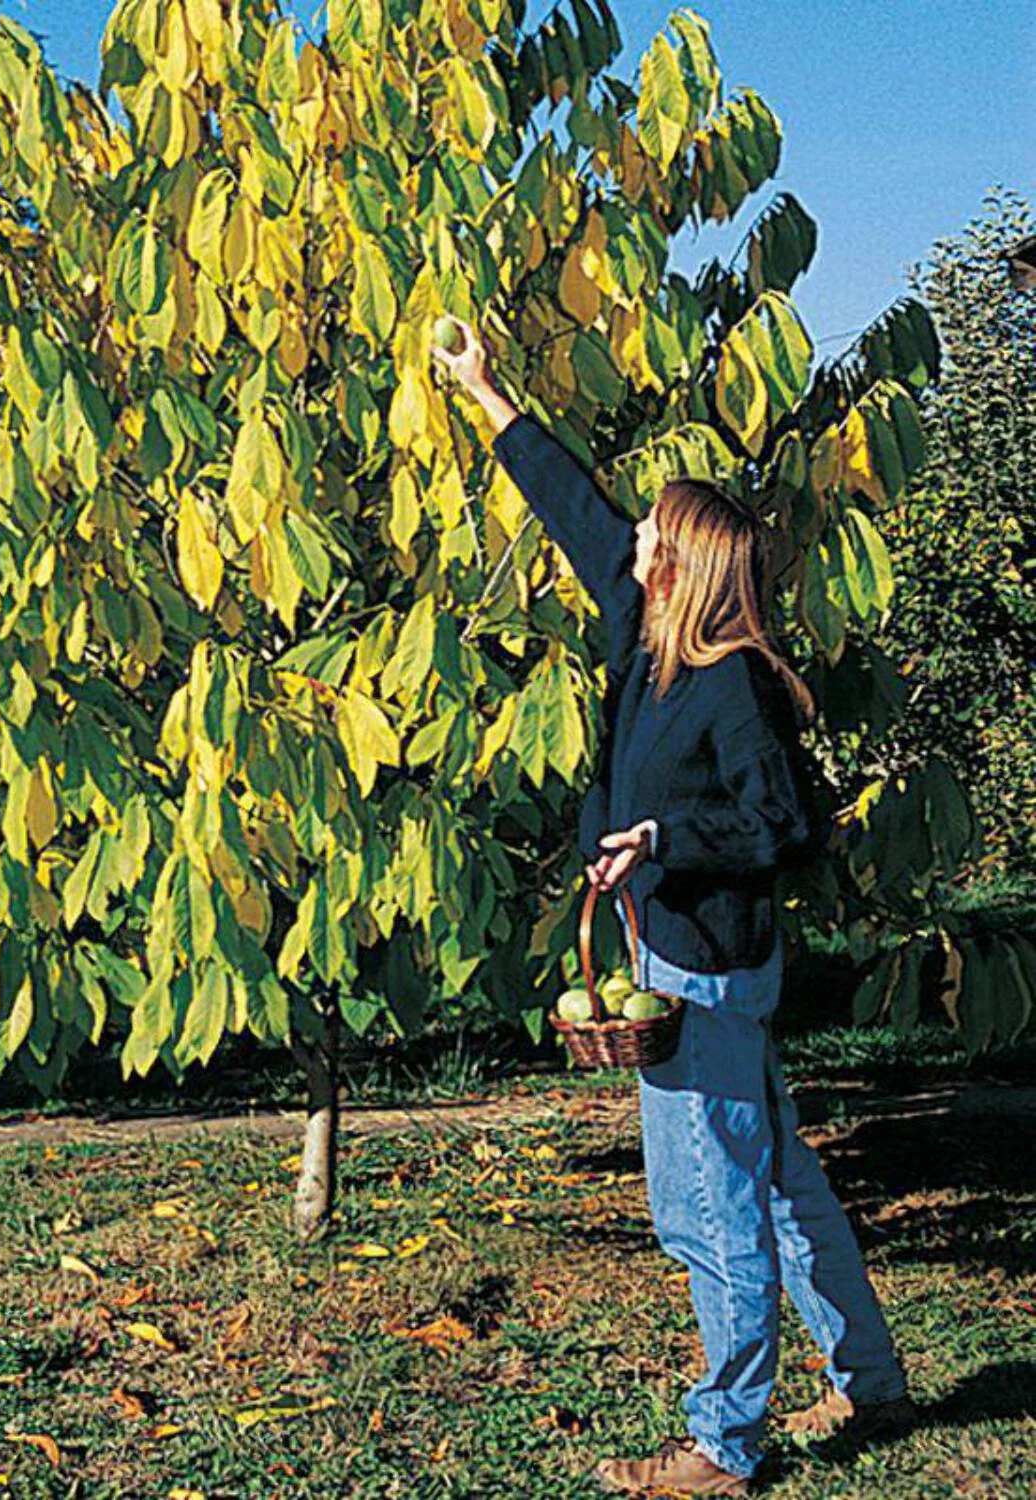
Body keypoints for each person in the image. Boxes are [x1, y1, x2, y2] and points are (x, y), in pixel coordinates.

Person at [431, 318, 916, 1496]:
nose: (636, 532)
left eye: (654, 527)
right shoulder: (643, 639)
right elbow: (575, 507)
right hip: (686, 953)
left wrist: (664, 838)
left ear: (680, 564)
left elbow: (784, 827)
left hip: (706, 968)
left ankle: (726, 1443)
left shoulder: (733, 685)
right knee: (783, 1185)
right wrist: (485, 390)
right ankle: (873, 1383)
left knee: (710, 1209)